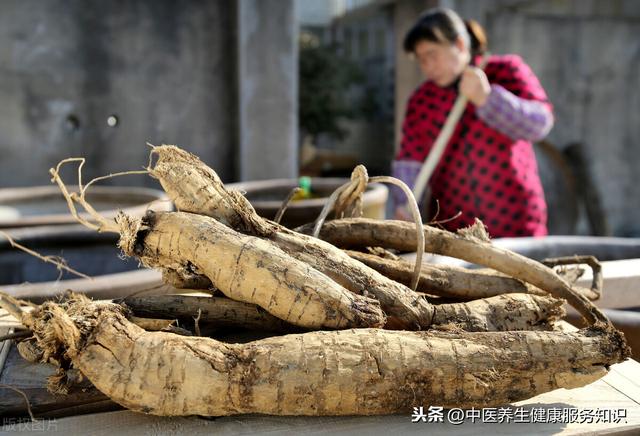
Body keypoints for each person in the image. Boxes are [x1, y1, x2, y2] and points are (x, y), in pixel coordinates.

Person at [392, 7, 553, 237]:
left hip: (516, 222)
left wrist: (488, 99)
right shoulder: (422, 100)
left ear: (459, 44)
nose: (427, 66)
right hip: (453, 229)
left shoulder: (505, 71)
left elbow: (540, 123)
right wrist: (404, 203)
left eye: (432, 54)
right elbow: (410, 159)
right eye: (421, 59)